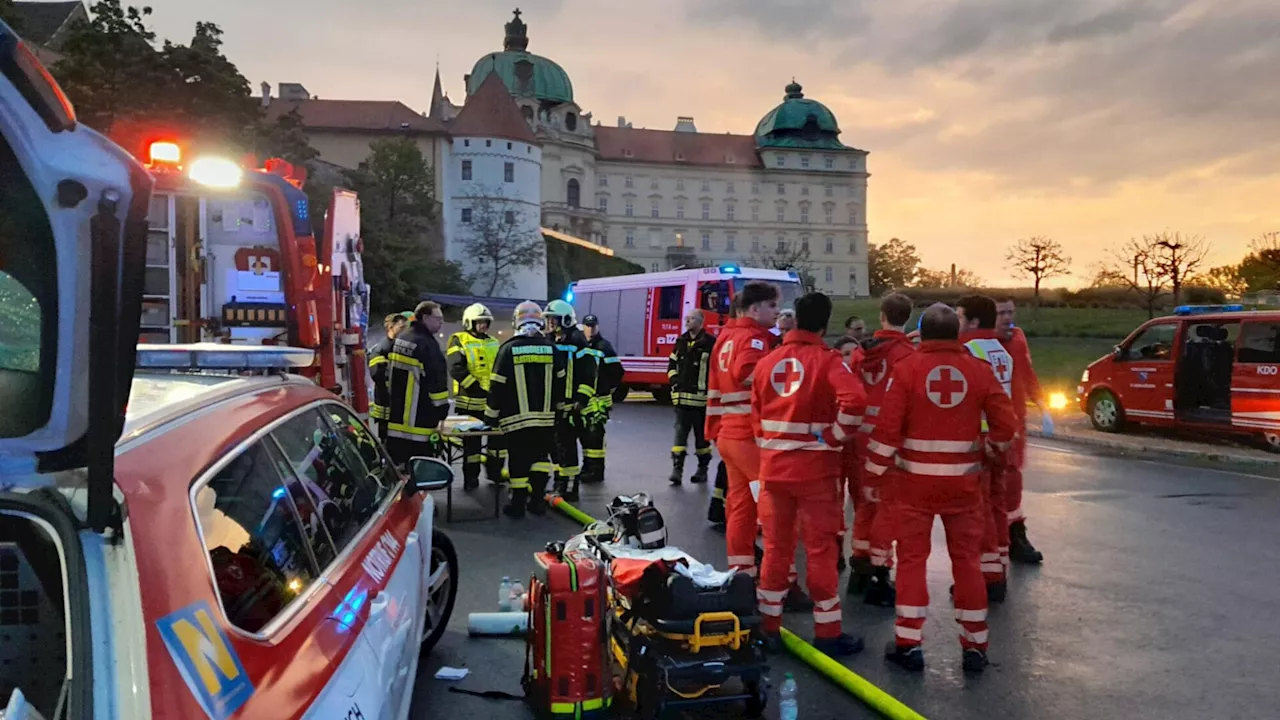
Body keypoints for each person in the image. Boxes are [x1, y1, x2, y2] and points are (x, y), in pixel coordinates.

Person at [867, 303, 1018, 674]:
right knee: (967, 563)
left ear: (924, 333)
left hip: (913, 486)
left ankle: (908, 644)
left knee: (912, 562)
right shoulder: (978, 371)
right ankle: (975, 645)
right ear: (956, 333)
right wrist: (992, 451)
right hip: (965, 486)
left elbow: (887, 431)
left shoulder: (907, 370)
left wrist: (874, 475)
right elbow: (1006, 424)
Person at [751, 292, 867, 656]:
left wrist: (771, 446)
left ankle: (768, 627)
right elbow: (856, 401)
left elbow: (755, 417)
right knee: (819, 549)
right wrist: (834, 436)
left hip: (773, 472)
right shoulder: (829, 361)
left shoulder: (767, 362)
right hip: (815, 473)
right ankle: (828, 632)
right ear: (825, 323)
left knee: (775, 549)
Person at [849, 292, 916, 604]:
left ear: (881, 315)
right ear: (908, 317)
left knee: (864, 504)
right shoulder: (906, 354)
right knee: (886, 509)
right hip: (889, 441)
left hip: (858, 438)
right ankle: (879, 571)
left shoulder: (861, 353)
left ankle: (859, 567)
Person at [956, 295, 1016, 601]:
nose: (958, 322)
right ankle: (1000, 564)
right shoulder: (1001, 352)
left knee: (977, 511)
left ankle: (987, 576)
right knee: (997, 504)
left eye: (961, 317)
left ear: (974, 321)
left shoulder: (969, 351)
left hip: (977, 440)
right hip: (999, 439)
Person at [486, 301, 565, 518]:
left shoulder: (508, 348)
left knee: (518, 460)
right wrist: (558, 412)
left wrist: (490, 417)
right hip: (546, 420)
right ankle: (537, 501)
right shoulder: (552, 348)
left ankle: (518, 504)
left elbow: (496, 386)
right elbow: (561, 383)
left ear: (516, 321)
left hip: (516, 419)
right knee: (540, 459)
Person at [996, 297, 1047, 564]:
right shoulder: (973, 342)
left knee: (1013, 480)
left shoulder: (1017, 338)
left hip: (1015, 421)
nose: (1007, 317)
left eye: (1010, 312)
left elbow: (1027, 372)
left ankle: (1016, 534)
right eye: (1001, 312)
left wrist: (1042, 403)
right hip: (988, 425)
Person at [543, 299, 596, 501]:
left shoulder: (577, 340)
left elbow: (589, 372)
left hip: (571, 404)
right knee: (555, 447)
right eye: (548, 319)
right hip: (554, 404)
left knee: (567, 446)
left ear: (564, 319)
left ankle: (569, 488)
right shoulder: (549, 339)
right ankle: (560, 483)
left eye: (553, 319)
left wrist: (580, 400)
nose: (549, 323)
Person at [386, 301, 450, 467]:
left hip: (397, 420)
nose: (441, 323)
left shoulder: (402, 338)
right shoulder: (428, 345)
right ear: (426, 317)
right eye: (438, 319)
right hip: (420, 420)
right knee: (420, 470)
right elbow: (436, 381)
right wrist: (442, 409)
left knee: (399, 470)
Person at [447, 303, 503, 490]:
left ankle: (496, 474)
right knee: (472, 447)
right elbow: (456, 369)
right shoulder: (458, 340)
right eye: (479, 322)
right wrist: (477, 388)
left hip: (493, 402)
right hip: (470, 402)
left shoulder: (494, 342)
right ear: (469, 322)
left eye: (485, 322)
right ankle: (471, 479)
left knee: (497, 443)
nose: (483, 326)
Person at [667, 309, 717, 485]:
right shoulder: (681, 341)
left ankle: (702, 470)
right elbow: (672, 363)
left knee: (701, 438)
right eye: (686, 318)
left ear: (701, 322)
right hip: (681, 399)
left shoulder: (710, 343)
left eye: (691, 319)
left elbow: (715, 370)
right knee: (679, 437)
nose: (687, 321)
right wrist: (674, 381)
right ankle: (677, 470)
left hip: (701, 400)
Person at [581, 314, 621, 484]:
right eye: (588, 326)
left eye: (593, 326)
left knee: (595, 437)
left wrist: (607, 388)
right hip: (585, 399)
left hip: (599, 401)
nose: (591, 329)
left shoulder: (604, 346)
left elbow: (618, 371)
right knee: (585, 437)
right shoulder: (581, 345)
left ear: (598, 327)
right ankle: (587, 467)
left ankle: (597, 472)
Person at [368, 311, 411, 441]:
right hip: (386, 404)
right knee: (387, 440)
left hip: (399, 404)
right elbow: (378, 375)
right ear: (391, 327)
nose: (405, 330)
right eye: (402, 327)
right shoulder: (381, 349)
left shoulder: (401, 347)